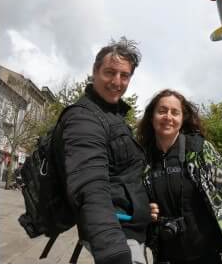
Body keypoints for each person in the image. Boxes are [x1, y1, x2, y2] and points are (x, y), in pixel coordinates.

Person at [53, 38, 150, 263]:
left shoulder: (111, 114)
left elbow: (122, 176)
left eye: (124, 75)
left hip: (129, 227)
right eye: (110, 72)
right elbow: (90, 185)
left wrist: (144, 205)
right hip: (116, 236)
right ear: (95, 72)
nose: (117, 81)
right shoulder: (84, 118)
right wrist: (112, 250)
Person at [137, 89, 222, 264]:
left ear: (182, 118)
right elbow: (134, 204)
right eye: (162, 111)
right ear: (152, 116)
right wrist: (145, 210)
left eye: (175, 112)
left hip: (214, 256)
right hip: (168, 259)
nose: (168, 117)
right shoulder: (143, 160)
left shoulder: (200, 151)